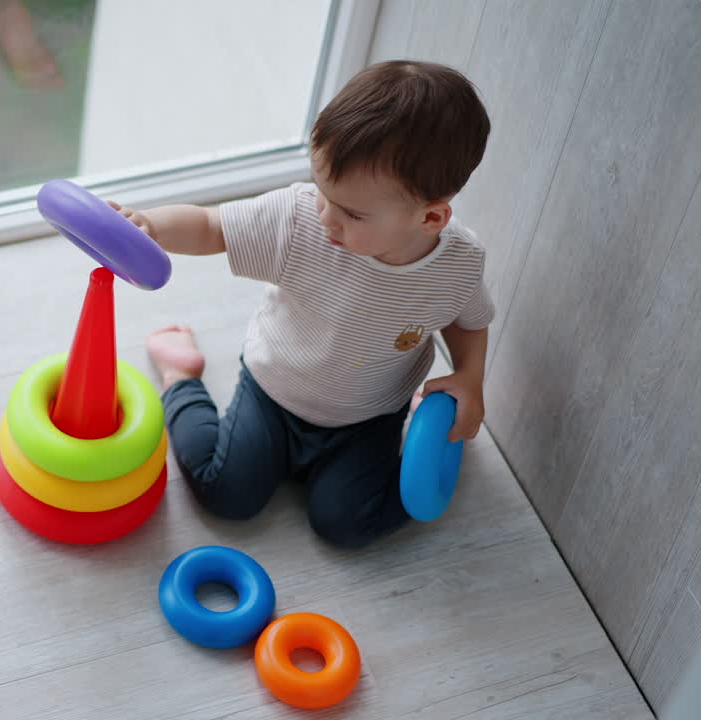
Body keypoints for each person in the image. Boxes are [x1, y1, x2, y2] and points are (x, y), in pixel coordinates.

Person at [111, 60, 495, 549]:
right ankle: (180, 377)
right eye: (322, 191)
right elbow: (211, 227)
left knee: (344, 525)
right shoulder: (299, 221)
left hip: (369, 415)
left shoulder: (457, 265)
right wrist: (149, 227)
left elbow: (468, 319)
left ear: (431, 218)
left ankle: (394, 458)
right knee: (227, 495)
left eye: (351, 213)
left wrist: (468, 377)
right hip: (275, 392)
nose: (327, 217)